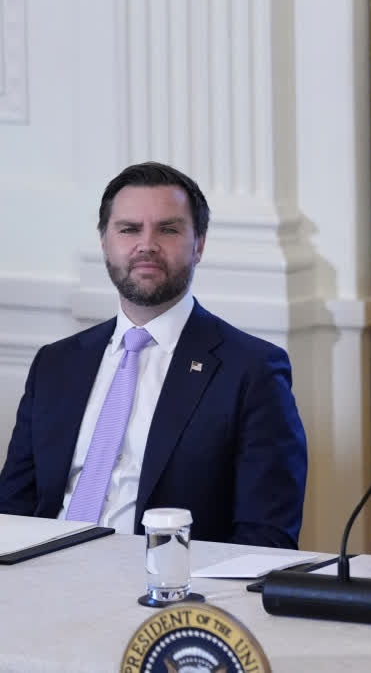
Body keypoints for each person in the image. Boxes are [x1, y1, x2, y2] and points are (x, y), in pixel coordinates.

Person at [0, 162, 307, 548]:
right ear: (104, 242)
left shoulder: (252, 370)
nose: (146, 244)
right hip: (43, 575)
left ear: (199, 244)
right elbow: (11, 509)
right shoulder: (56, 364)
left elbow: (266, 536)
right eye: (128, 229)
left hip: (166, 592)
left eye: (168, 229)